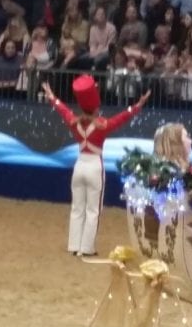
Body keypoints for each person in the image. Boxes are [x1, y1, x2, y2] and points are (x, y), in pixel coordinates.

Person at [41, 77, 150, 256]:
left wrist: (52, 96)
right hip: (94, 167)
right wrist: (138, 105)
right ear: (96, 107)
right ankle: (87, 248)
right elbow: (122, 117)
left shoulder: (73, 122)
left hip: (79, 165)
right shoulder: (102, 125)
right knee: (93, 210)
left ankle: (74, 245)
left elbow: (63, 110)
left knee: (77, 207)